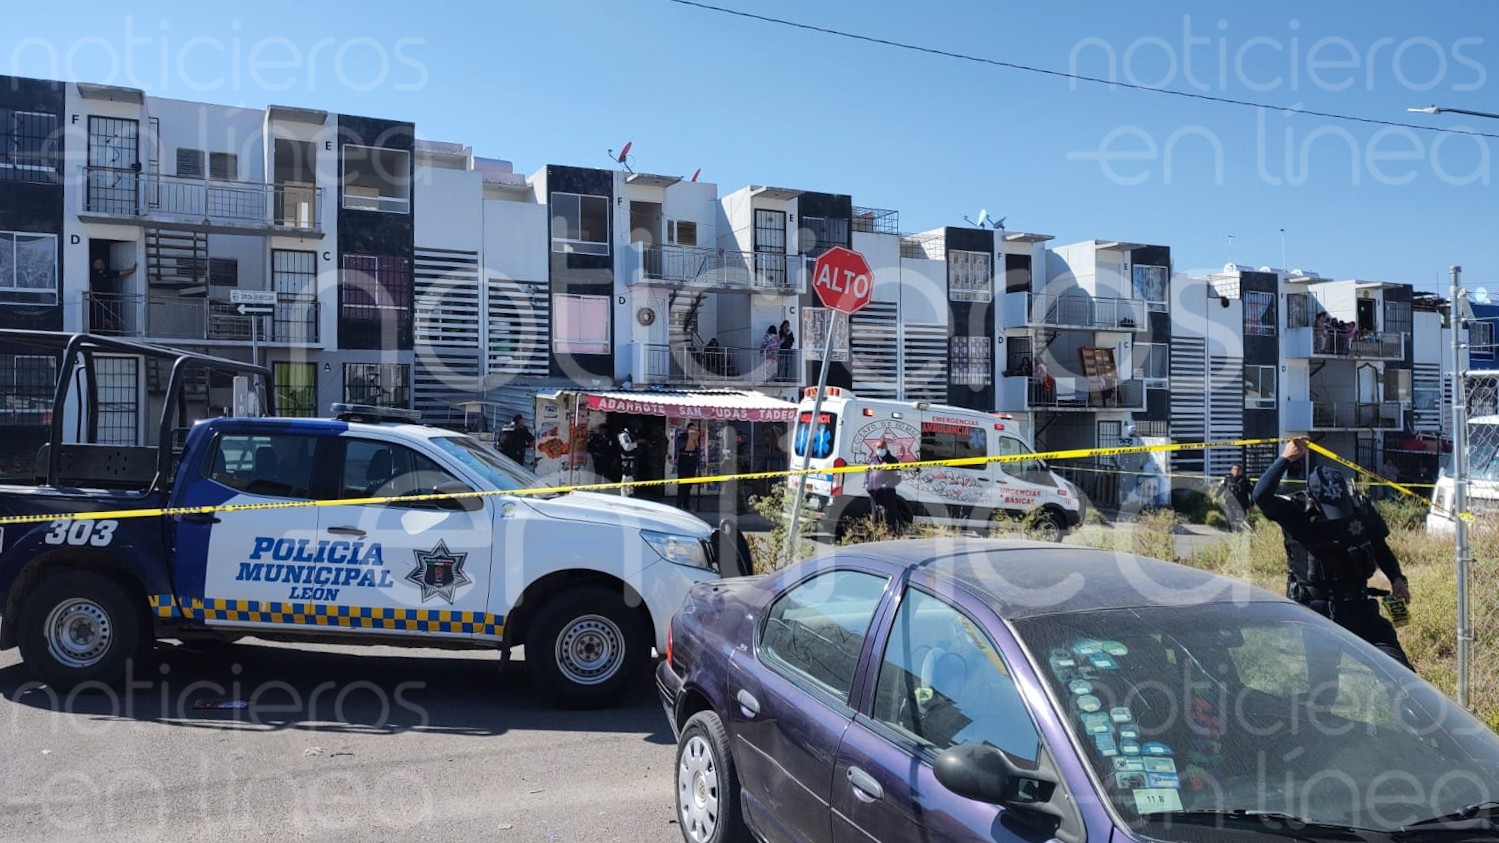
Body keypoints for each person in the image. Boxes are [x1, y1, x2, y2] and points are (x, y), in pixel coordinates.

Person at [1252, 438, 1413, 669]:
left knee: (1400, 672)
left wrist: (1397, 578)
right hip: (1320, 611)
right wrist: (1285, 459)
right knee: (1325, 686)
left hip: (1360, 606)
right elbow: (1260, 495)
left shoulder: (1360, 509)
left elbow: (1380, 547)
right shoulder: (1296, 512)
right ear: (1315, 500)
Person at [866, 437, 903, 532]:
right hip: (874, 493)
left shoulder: (893, 460)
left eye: (881, 447)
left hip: (888, 493)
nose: (879, 450)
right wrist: (867, 483)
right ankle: (875, 535)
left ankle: (890, 534)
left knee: (889, 517)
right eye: (878, 447)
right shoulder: (873, 460)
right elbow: (868, 473)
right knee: (874, 517)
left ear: (886, 448)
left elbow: (898, 477)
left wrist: (887, 485)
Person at [89, 259, 136, 333]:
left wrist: (133, 269)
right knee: (100, 318)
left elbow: (121, 272)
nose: (96, 265)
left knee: (111, 316)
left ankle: (112, 330)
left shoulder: (109, 273)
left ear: (103, 264)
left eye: (98, 263)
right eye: (95, 263)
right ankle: (103, 331)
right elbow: (90, 286)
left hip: (109, 299)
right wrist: (92, 297)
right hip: (98, 300)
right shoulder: (92, 275)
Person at [1216, 463, 1253, 531]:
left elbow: (1252, 493)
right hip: (1230, 503)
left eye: (1239, 470)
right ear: (1231, 470)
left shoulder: (1245, 480)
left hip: (1242, 504)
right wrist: (1216, 497)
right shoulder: (1228, 479)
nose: (1237, 471)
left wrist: (1251, 505)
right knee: (1229, 519)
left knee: (1240, 522)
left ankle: (1239, 535)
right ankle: (1232, 533)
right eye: (1235, 469)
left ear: (1241, 471)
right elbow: (1222, 488)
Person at [675, 422, 702, 510]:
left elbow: (698, 450)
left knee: (689, 484)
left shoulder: (696, 438)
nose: (693, 431)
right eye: (691, 429)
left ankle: (687, 504)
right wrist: (690, 439)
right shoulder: (682, 437)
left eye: (695, 429)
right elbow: (682, 447)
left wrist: (695, 441)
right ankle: (679, 504)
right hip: (684, 459)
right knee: (682, 483)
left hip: (692, 459)